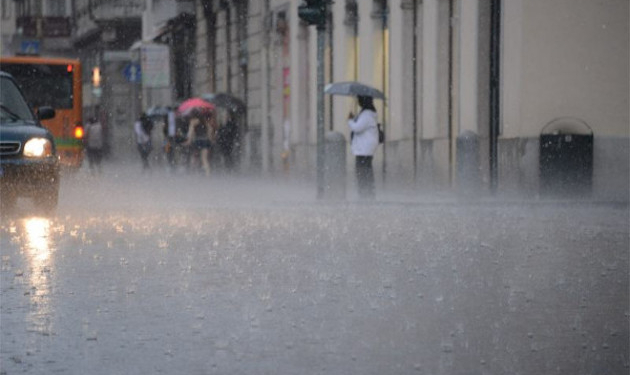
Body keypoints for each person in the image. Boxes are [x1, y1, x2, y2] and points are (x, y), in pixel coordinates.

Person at [348, 95, 379, 199]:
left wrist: (350, 121)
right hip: (365, 148)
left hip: (364, 149)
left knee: (362, 171)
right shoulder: (368, 114)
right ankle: (367, 191)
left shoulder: (366, 115)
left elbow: (357, 128)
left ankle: (365, 192)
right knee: (366, 170)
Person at [184, 109, 217, 177]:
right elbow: (210, 130)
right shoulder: (204, 121)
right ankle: (208, 174)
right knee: (204, 159)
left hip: (197, 141)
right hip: (205, 140)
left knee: (194, 157)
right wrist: (210, 139)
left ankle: (194, 173)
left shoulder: (193, 122)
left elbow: (190, 133)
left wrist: (189, 140)